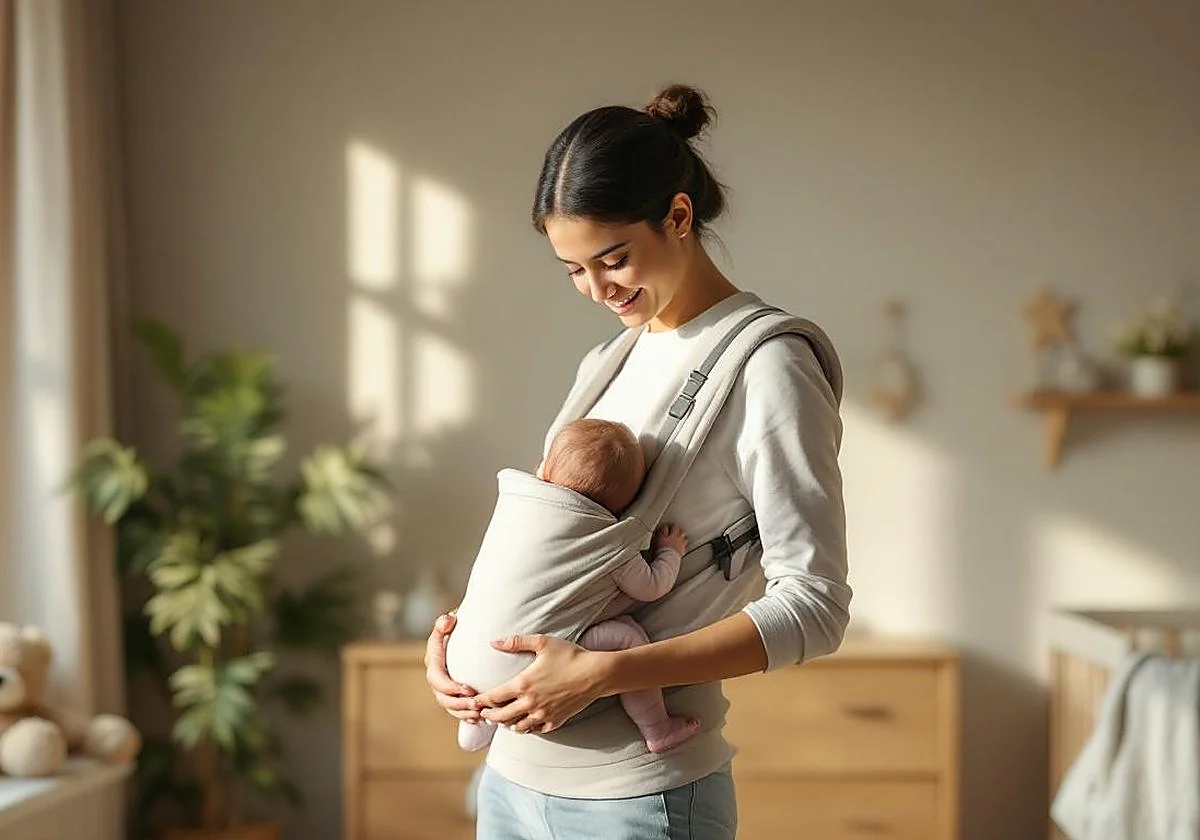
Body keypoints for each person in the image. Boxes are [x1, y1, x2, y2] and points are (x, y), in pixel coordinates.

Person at [425, 82, 850, 840]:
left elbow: (814, 606)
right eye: (574, 271)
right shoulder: (609, 360)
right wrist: (457, 650)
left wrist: (606, 673)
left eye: (612, 259)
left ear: (678, 216)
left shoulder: (770, 365)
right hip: (510, 784)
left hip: (638, 800)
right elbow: (555, 545)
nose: (596, 289)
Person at [450, 417, 700, 756]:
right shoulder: (608, 542)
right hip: (526, 670)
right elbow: (652, 586)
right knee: (627, 636)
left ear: (543, 471)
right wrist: (670, 552)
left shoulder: (515, 507)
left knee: (503, 616)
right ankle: (657, 728)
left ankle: (474, 728)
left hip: (461, 657)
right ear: (625, 503)